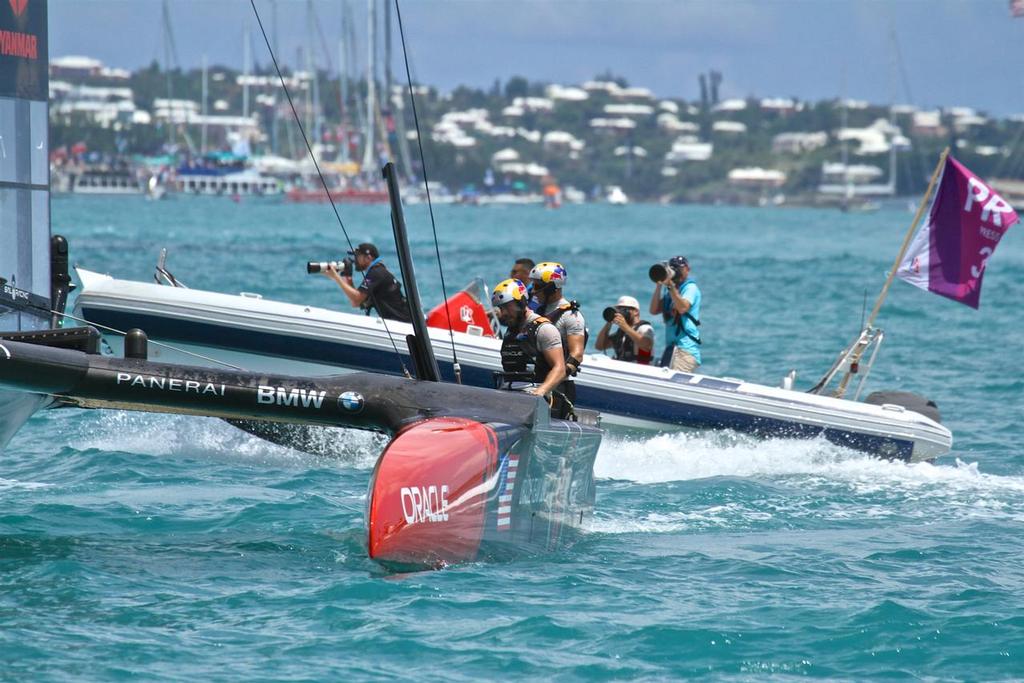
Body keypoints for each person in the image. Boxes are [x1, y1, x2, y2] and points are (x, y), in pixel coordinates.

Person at [491, 278, 567, 407]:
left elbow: (559, 368)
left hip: (533, 400)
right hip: (508, 397)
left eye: (506, 307)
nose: (503, 313)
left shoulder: (544, 329)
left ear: (521, 302)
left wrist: (540, 392)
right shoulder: (510, 332)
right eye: (500, 308)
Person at [528, 261, 586, 401]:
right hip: (535, 381)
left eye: (537, 286)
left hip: (558, 388)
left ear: (552, 287)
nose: (533, 291)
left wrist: (555, 378)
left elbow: (577, 355)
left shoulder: (571, 316)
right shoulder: (537, 310)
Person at [323, 242, 412, 323]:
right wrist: (348, 276)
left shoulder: (376, 272)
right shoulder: (378, 270)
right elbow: (355, 302)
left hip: (401, 324)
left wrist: (336, 277)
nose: (355, 260)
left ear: (368, 258)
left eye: (358, 256)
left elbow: (356, 299)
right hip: (400, 322)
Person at [649, 255, 702, 372]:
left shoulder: (690, 288)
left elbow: (683, 307)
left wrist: (670, 286)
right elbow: (653, 310)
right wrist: (659, 284)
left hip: (685, 350)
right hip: (672, 349)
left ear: (687, 269)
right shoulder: (671, 293)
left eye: (679, 268)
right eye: (674, 268)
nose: (676, 272)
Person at [595, 295, 655, 364]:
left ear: (636, 311)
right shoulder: (621, 332)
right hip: (622, 370)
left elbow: (647, 346)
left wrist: (625, 327)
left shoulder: (644, 328)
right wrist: (609, 322)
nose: (621, 312)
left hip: (640, 370)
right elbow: (599, 346)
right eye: (619, 309)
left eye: (624, 309)